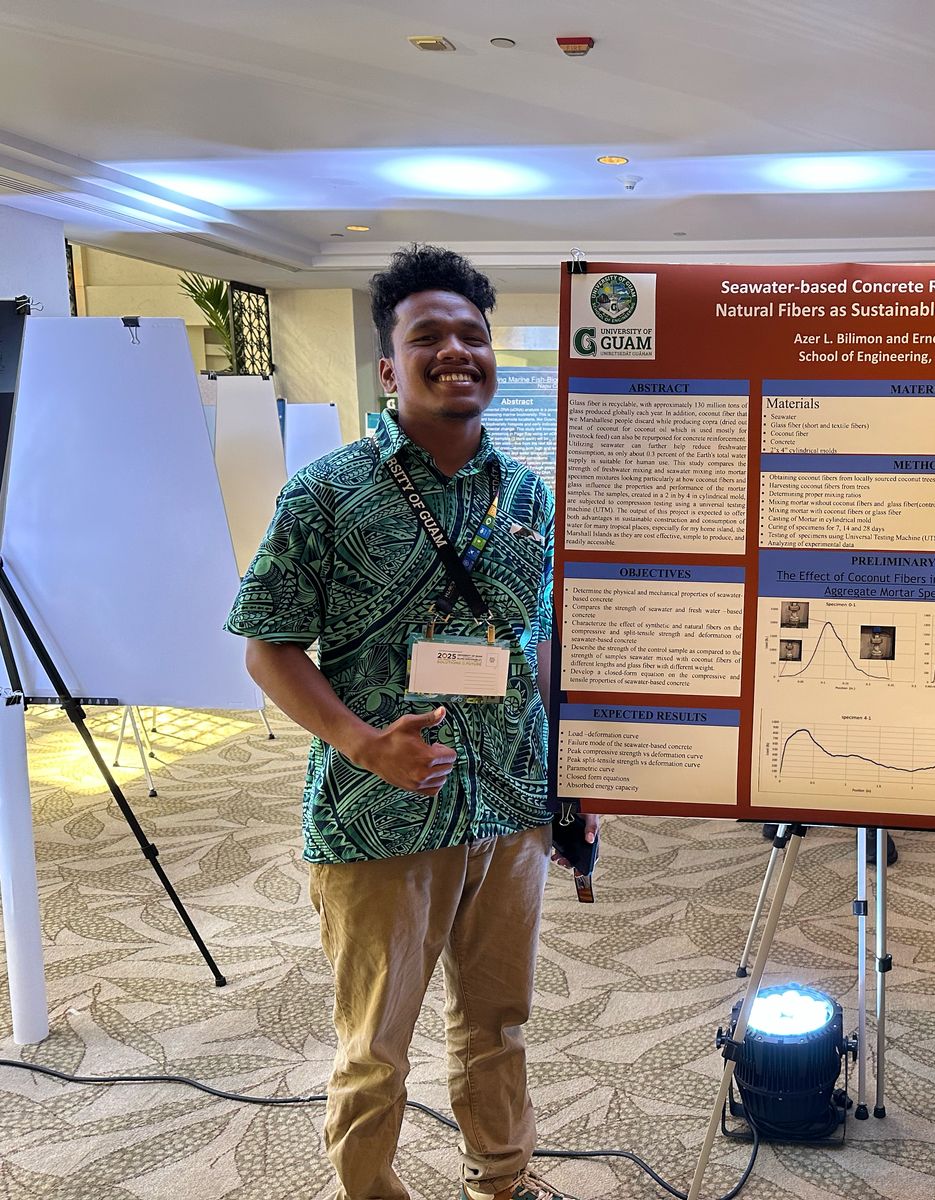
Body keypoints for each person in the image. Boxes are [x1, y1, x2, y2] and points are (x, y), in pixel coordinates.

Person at [226, 244, 593, 1200]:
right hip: (379, 817)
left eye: (473, 334)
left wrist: (570, 775)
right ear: (390, 369)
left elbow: (536, 641)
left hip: (508, 807)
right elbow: (268, 646)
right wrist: (361, 743)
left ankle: (502, 1180)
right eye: (428, 336)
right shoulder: (328, 491)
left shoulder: (530, 496)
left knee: (498, 1024)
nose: (456, 350)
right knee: (375, 1047)